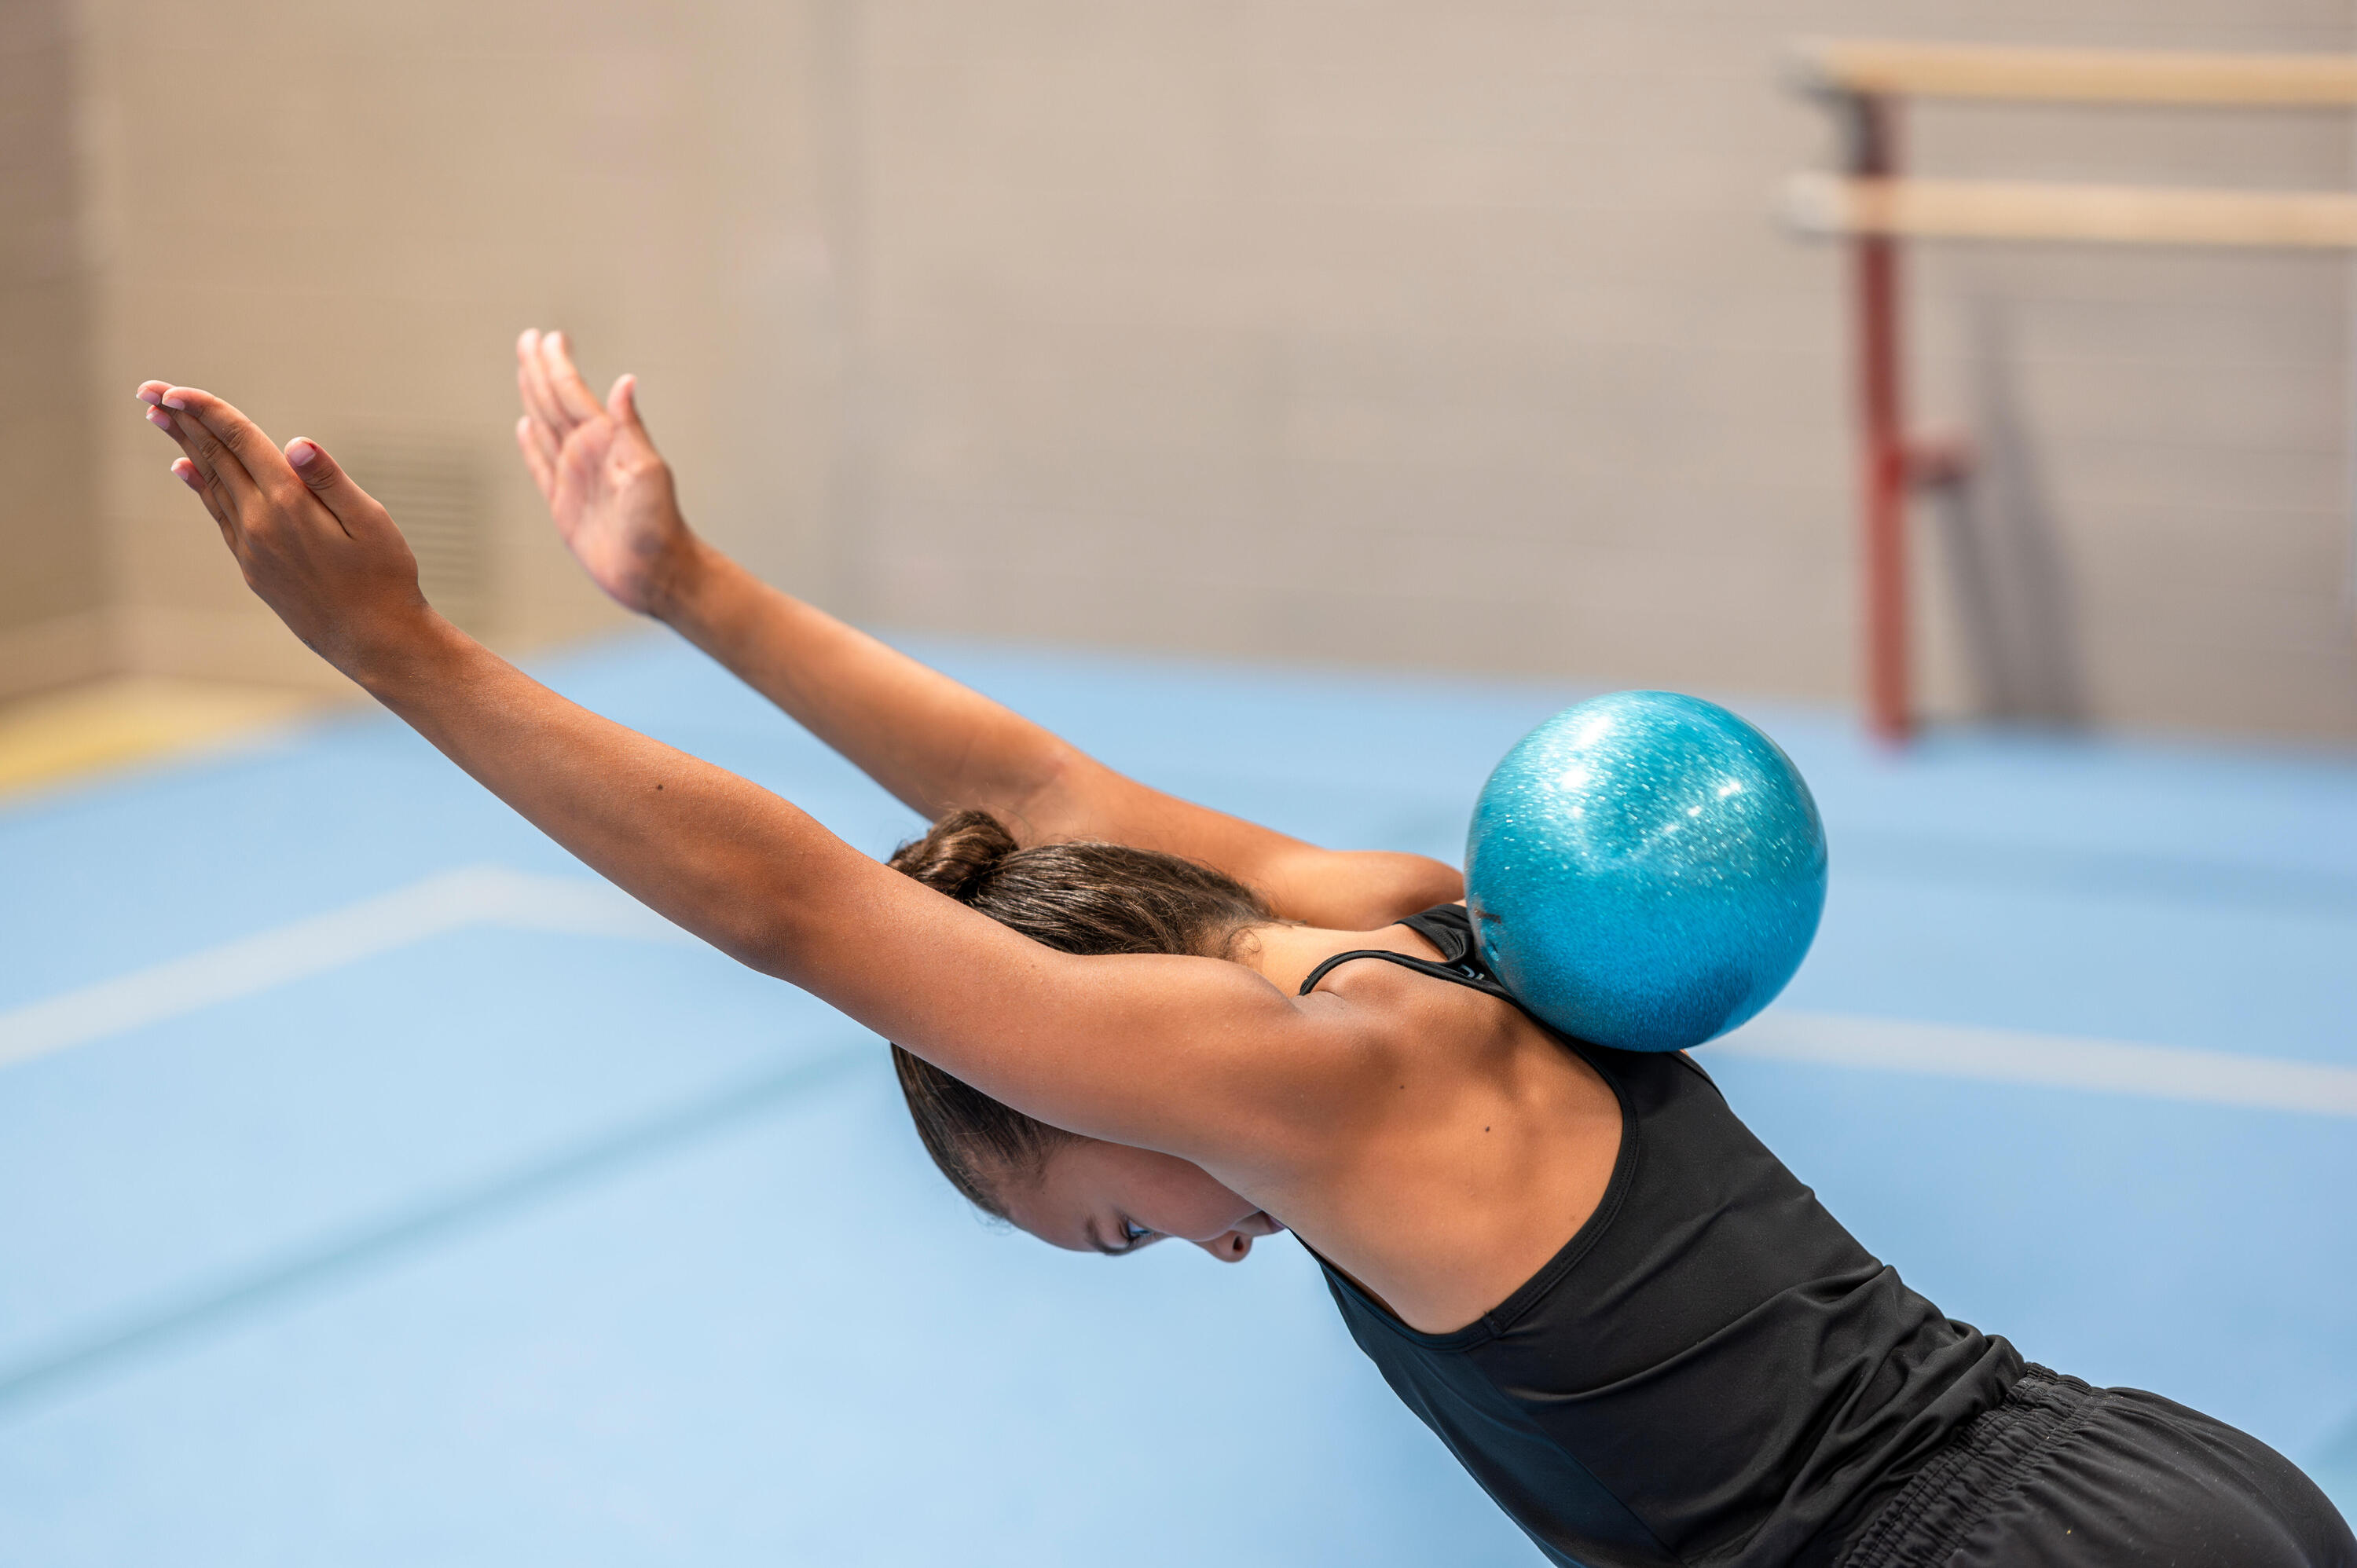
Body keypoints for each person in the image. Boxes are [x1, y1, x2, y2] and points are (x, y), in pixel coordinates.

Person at [133, 335, 2352, 1568]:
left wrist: (404, 653)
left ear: (1081, 1070)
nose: (1197, 1246)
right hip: (2142, 1484)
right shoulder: (1386, 932)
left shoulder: (1310, 1082)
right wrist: (687, 590)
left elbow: (799, 907)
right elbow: (1040, 787)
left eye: (1112, 1218)